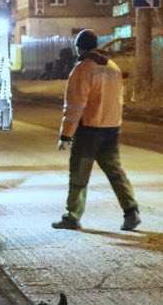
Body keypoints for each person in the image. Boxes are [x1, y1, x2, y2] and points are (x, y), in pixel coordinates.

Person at [51, 29, 140, 232]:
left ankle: (72, 216)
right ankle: (131, 211)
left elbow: (75, 106)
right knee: (115, 172)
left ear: (79, 48)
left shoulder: (82, 70)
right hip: (111, 128)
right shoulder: (112, 67)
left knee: (79, 175)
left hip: (89, 130)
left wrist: (66, 134)